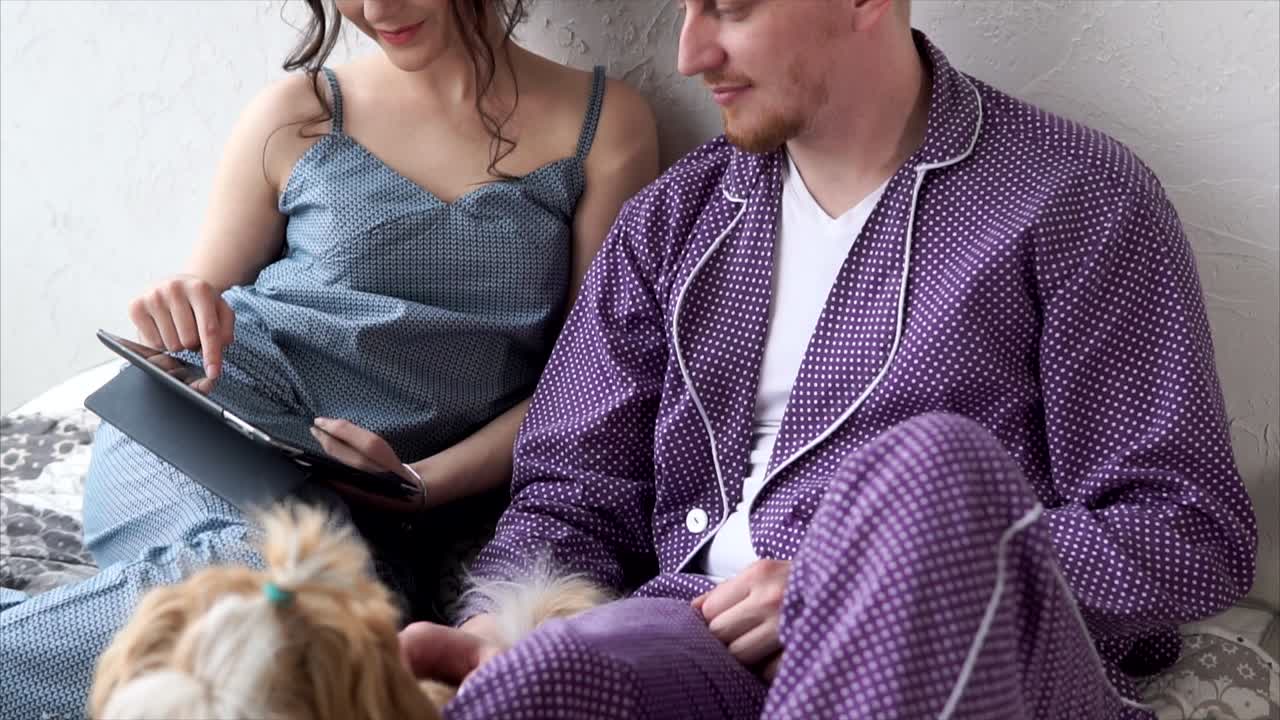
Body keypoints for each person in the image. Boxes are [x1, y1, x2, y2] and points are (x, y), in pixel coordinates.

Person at [397, 1, 1257, 718]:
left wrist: (852, 583)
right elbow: (569, 497)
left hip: (970, 654)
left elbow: (1189, 535)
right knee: (537, 682)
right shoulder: (673, 222)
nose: (691, 52)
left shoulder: (1074, 197)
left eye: (731, 6)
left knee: (931, 464)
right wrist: (496, 636)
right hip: (695, 641)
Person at [0, 0, 658, 716]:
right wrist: (180, 301)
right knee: (275, 586)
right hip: (198, 427)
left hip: (371, 506)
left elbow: (580, 389)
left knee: (319, 630)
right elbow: (196, 307)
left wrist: (418, 484)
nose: (375, 9)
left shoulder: (606, 126)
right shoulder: (300, 110)